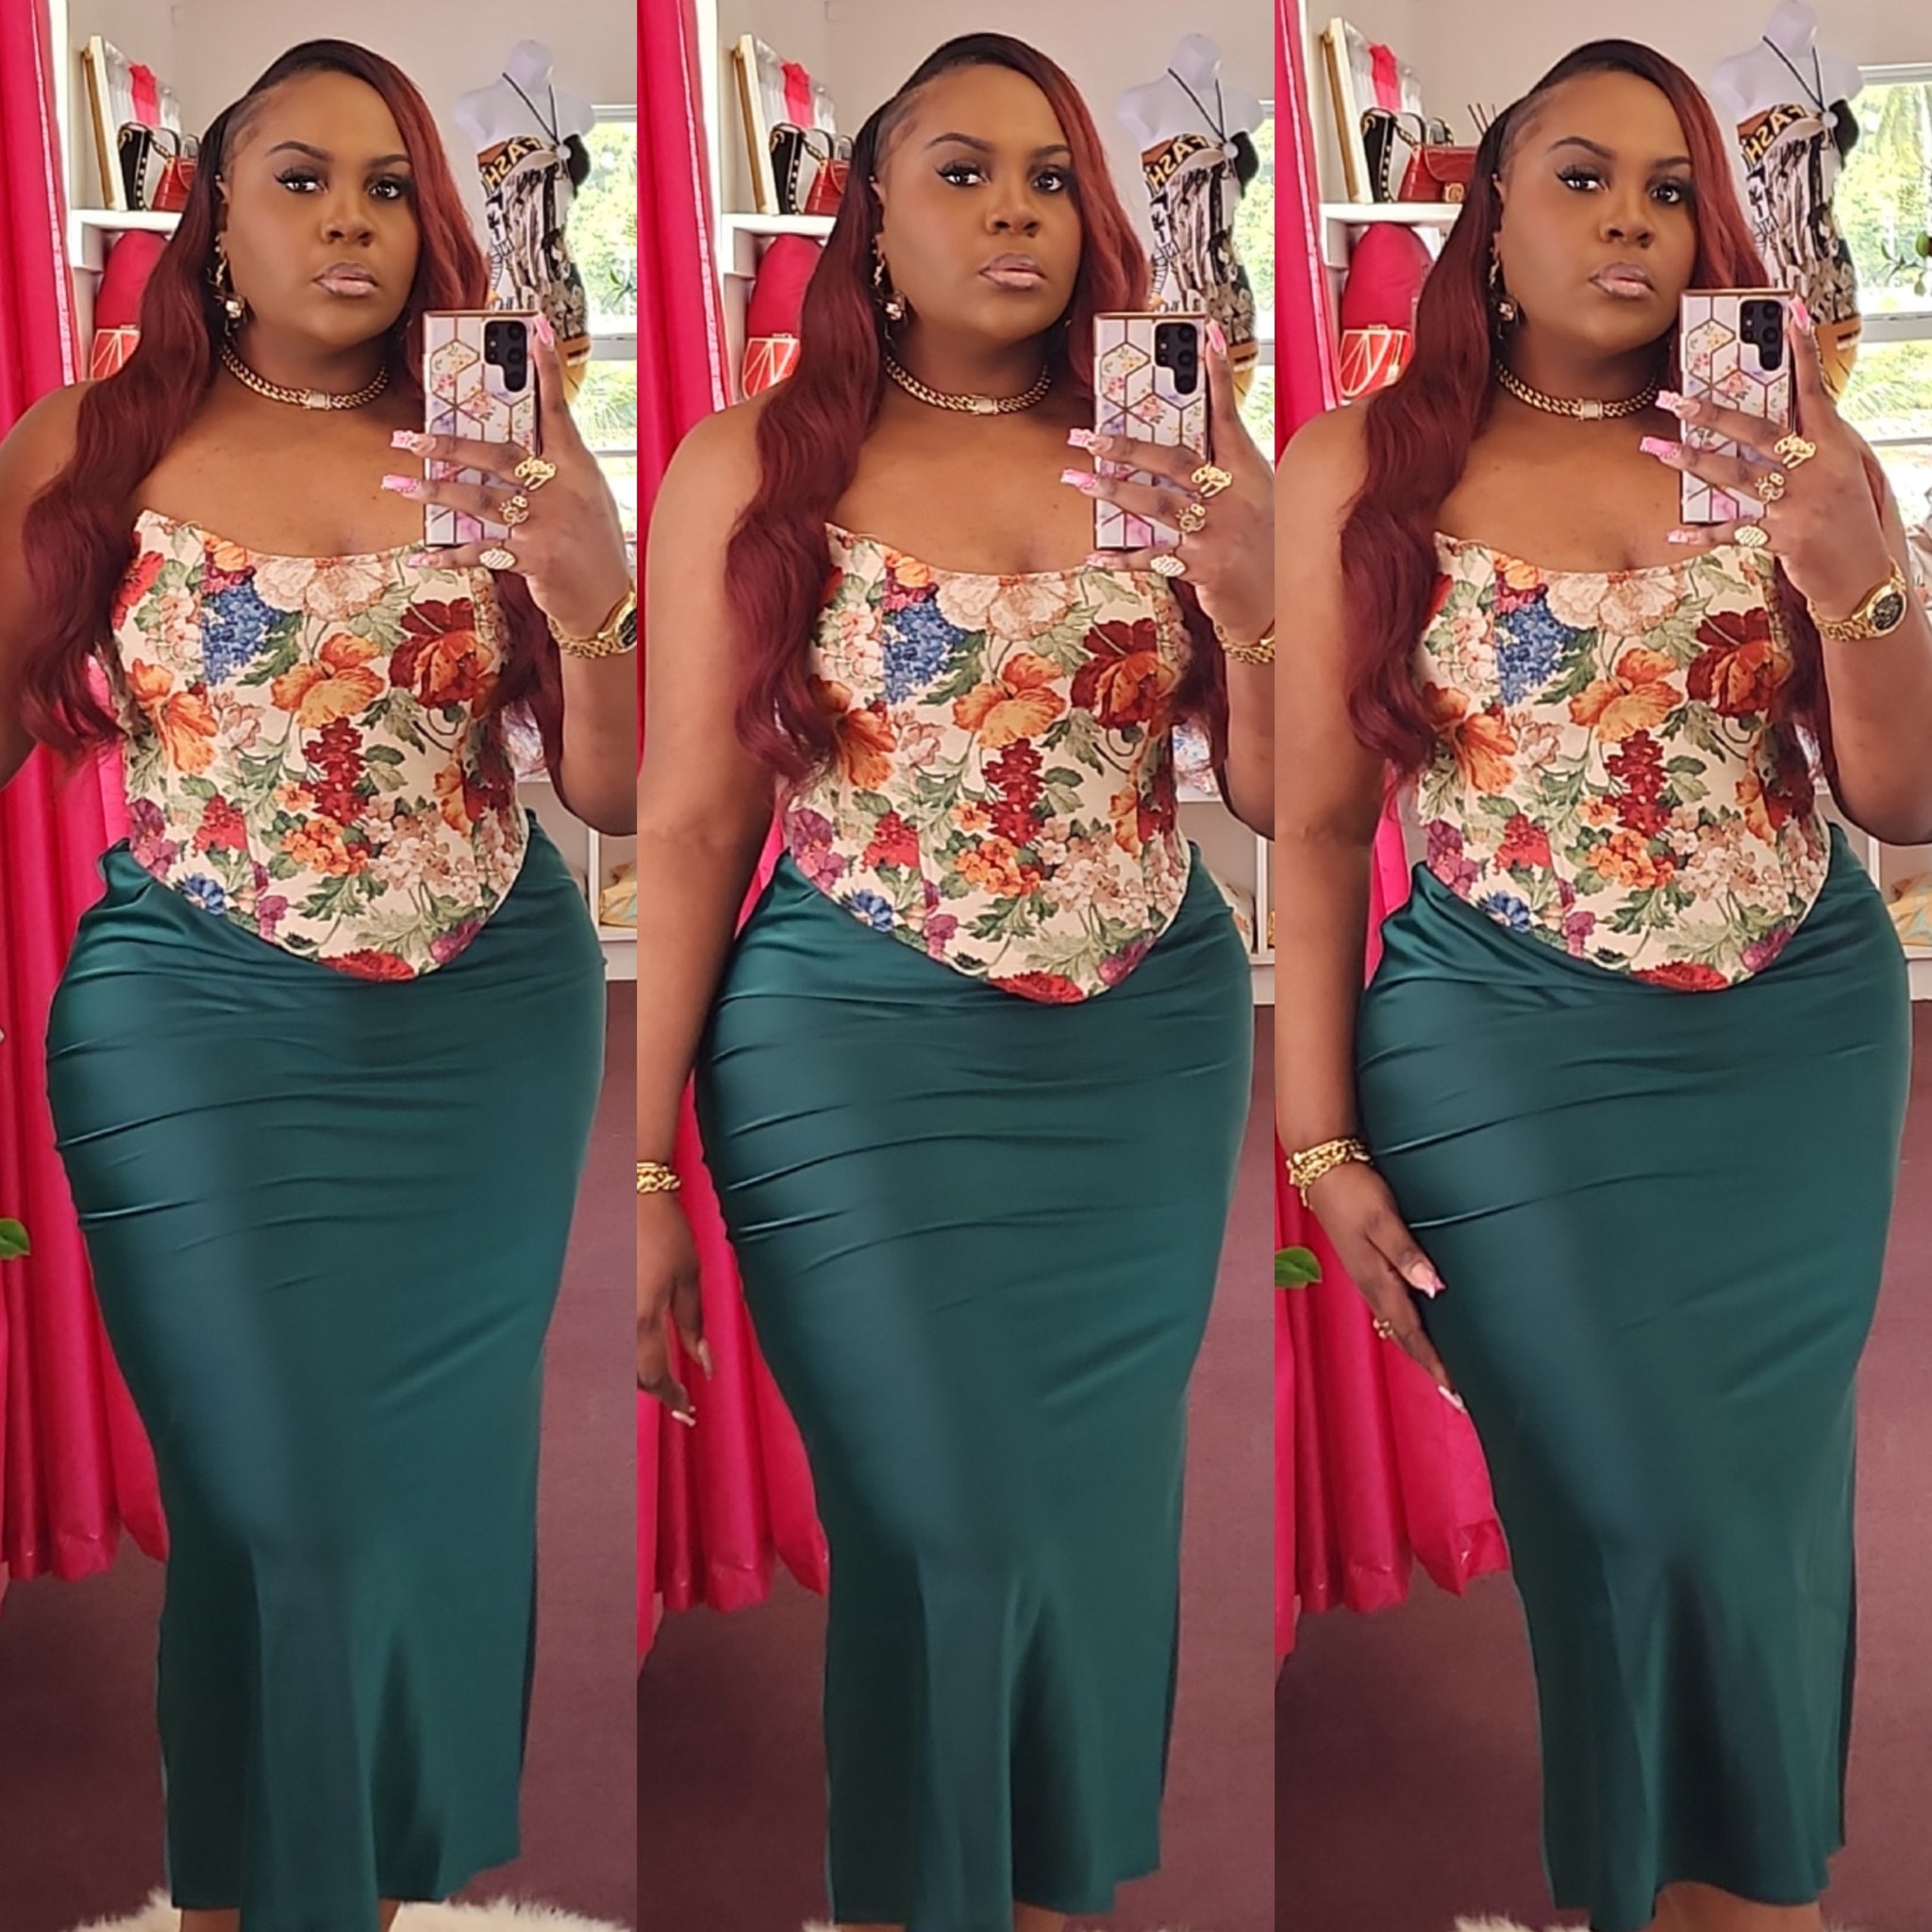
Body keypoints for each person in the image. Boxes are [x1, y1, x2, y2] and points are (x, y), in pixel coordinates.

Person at [1277, 40, 1924, 1932]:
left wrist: (1854, 569)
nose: (1630, 223)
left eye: (1667, 191)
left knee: (1760, 1515)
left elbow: (1902, 796)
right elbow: (1316, 827)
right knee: (1632, 1507)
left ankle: (1745, 1898)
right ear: (1488, 216)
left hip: (1794, 1039)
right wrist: (1318, 1141)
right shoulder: (1361, 463)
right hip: (1504, 1047)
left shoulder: (1797, 442)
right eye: (1582, 178)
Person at [638, 31, 1272, 1932]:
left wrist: (1254, 594)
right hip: (851, 1048)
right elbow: (691, 821)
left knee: (1087, 1527)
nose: (1017, 211)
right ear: (870, 218)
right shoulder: (756, 460)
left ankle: (1050, 1897)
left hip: (1143, 1043)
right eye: (964, 172)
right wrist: (646, 1160)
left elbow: (1276, 791)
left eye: (1052, 177)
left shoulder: (1176, 429)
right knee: (941, 1519)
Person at [0, 40, 634, 1932]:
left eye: (385, 187)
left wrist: (591, 586)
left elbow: (614, 788)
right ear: (213, 218)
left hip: (483, 1017)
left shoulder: (505, 432)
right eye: (300, 180)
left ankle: (311, 1891)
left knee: (418, 1500)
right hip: (190, 1024)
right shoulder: (90, 440)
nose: (349, 222)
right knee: (275, 1492)